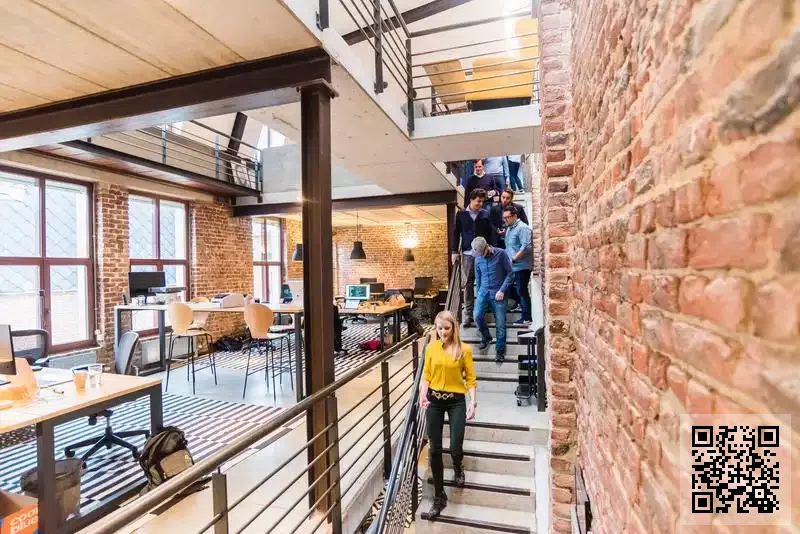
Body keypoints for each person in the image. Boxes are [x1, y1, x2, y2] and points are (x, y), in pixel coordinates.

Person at [420, 310, 477, 519]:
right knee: (434, 449)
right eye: (440, 328)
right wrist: (422, 394)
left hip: (456, 401)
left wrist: (473, 402)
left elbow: (470, 379)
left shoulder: (464, 350)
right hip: (434, 401)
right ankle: (439, 496)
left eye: (446, 328)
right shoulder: (431, 348)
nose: (443, 332)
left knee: (455, 445)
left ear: (454, 328)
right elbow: (426, 375)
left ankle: (457, 466)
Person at [452, 189, 493, 328]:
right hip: (467, 254)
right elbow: (456, 233)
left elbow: (490, 233)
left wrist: (490, 246)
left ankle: (480, 313)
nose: (481, 204)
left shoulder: (485, 213)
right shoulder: (461, 214)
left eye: (482, 201)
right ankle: (468, 314)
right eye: (478, 201)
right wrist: (454, 251)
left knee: (483, 283)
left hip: (482, 254)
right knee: (468, 284)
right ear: (471, 199)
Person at [471, 236, 513, 361]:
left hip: (498, 293)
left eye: (481, 253)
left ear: (487, 248)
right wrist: (479, 294)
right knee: (477, 316)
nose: (479, 256)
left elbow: (511, 274)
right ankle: (486, 337)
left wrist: (502, 290)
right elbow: (478, 277)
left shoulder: (501, 254)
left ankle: (500, 351)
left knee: (500, 324)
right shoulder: (477, 259)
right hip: (483, 292)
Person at [503, 205, 534, 326]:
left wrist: (514, 259)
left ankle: (527, 318)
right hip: (512, 266)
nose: (505, 220)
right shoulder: (509, 228)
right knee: (509, 289)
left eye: (507, 217)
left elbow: (526, 247)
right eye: (504, 218)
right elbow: (510, 247)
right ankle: (521, 304)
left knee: (522, 290)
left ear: (515, 216)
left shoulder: (523, 228)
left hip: (522, 266)